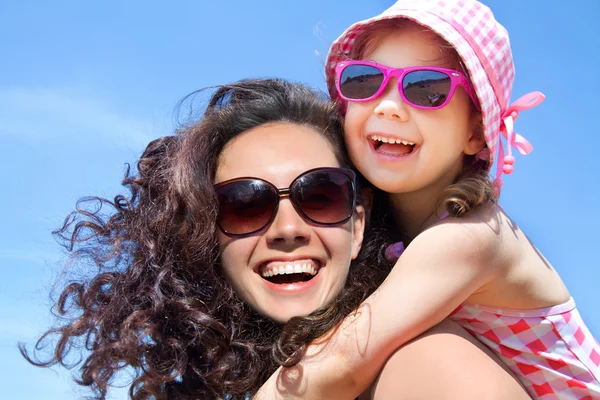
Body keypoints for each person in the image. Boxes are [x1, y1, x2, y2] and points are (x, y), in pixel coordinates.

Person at [20, 78, 530, 399]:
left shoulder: (426, 365)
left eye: (321, 196)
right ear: (206, 232)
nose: (288, 229)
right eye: (246, 204)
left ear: (356, 225)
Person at [255, 1, 600, 399]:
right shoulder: (382, 236)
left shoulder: (472, 237)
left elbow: (338, 363)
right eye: (364, 81)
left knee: (414, 351)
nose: (388, 106)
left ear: (475, 131)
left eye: (427, 89)